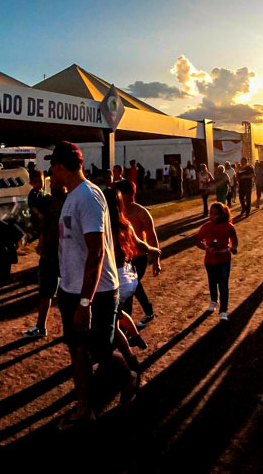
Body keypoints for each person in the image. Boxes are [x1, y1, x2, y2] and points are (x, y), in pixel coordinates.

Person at [47, 141, 137, 429]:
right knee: (76, 349)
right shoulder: (72, 196)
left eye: (52, 166)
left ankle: (129, 378)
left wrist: (85, 304)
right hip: (72, 288)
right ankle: (86, 408)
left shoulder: (88, 196)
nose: (50, 171)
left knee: (100, 350)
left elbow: (96, 252)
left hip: (96, 292)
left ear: (60, 166)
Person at [103, 186, 160, 370]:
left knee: (110, 321)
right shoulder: (123, 223)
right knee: (117, 314)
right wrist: (153, 251)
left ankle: (127, 359)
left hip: (111, 279)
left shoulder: (101, 224)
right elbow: (139, 243)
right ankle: (134, 337)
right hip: (126, 277)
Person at [22, 173, 66, 338]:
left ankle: (43, 327)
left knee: (51, 293)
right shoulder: (51, 201)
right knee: (50, 293)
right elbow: (43, 225)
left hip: (58, 254)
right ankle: (42, 327)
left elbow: (43, 226)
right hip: (55, 253)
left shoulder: (63, 201)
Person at [115, 179, 161, 329]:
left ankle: (124, 327)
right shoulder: (115, 211)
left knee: (127, 292)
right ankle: (148, 311)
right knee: (133, 287)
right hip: (122, 259)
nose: (119, 197)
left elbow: (152, 236)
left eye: (130, 194)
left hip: (139, 258)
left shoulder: (141, 212)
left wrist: (156, 260)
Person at [195, 202, 237, 321]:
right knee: (212, 282)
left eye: (216, 214)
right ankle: (214, 301)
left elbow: (235, 240)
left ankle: (223, 310)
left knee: (223, 284)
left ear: (223, 214)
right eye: (211, 213)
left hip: (224, 260)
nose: (212, 216)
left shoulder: (229, 226)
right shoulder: (206, 226)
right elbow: (198, 241)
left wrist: (234, 248)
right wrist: (207, 248)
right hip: (210, 260)